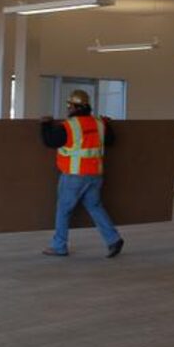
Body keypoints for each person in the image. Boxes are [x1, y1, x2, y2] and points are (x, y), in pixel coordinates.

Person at [40, 89, 124, 258]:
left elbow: (50, 141)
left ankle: (59, 246)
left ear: (75, 107)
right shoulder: (99, 124)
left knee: (63, 210)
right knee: (94, 206)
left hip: (74, 175)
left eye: (69, 105)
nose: (68, 109)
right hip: (95, 175)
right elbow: (111, 141)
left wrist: (45, 125)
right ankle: (113, 239)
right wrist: (108, 124)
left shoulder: (69, 126)